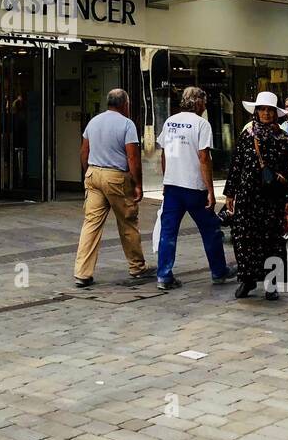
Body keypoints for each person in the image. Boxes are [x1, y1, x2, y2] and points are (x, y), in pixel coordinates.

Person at [154, 87, 234, 290]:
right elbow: (204, 158)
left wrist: (166, 180)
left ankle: (164, 275)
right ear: (198, 102)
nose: (206, 105)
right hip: (193, 187)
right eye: (204, 102)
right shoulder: (201, 124)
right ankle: (218, 271)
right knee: (211, 230)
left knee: (168, 232)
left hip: (173, 186)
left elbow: (164, 154)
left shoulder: (170, 121)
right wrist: (210, 190)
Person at [73, 89, 150, 287]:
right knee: (127, 222)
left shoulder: (94, 121)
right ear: (124, 104)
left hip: (93, 173)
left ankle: (82, 272)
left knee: (91, 223)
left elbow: (84, 151)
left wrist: (87, 173)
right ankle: (137, 267)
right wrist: (138, 184)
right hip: (116, 177)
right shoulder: (127, 124)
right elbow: (132, 157)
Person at [226, 91, 288, 301]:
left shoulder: (283, 139)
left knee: (272, 240)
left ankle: (271, 283)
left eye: (270, 110)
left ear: (276, 113)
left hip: (272, 198)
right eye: (262, 109)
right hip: (248, 196)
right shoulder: (248, 135)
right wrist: (230, 191)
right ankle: (247, 279)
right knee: (244, 239)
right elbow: (237, 163)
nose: (266, 113)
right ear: (256, 112)